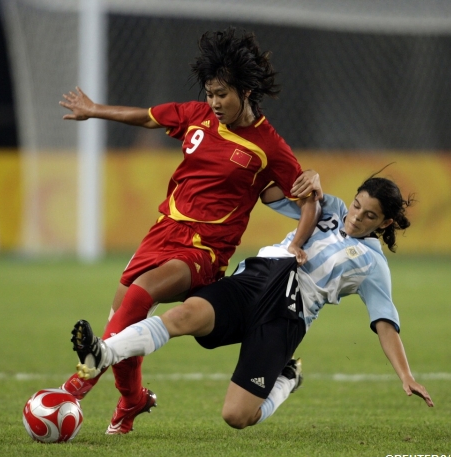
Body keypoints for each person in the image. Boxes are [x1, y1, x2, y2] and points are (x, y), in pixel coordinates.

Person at [58, 27, 322, 434]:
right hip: (161, 233)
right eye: (210, 93)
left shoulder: (268, 146)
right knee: (124, 319)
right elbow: (147, 116)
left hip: (204, 250)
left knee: (140, 295)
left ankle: (77, 384)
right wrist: (95, 110)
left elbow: (309, 201)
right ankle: (132, 401)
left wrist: (298, 242)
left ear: (246, 91)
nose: (214, 102)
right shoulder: (196, 116)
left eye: (222, 94)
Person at [71, 175, 434, 431]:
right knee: (183, 315)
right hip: (255, 280)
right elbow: (271, 193)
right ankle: (104, 352)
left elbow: (385, 322)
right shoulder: (329, 208)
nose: (356, 217)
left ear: (385, 222)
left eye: (369, 216)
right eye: (357, 205)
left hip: (285, 316)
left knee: (236, 416)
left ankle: (287, 379)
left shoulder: (373, 265)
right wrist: (305, 177)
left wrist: (406, 376)